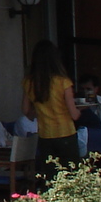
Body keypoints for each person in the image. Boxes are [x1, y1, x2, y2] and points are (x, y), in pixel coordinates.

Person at [22, 41, 79, 185]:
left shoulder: (29, 82)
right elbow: (74, 114)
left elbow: (26, 111)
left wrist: (40, 108)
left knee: (50, 178)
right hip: (66, 132)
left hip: (45, 135)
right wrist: (81, 110)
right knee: (71, 177)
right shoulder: (63, 82)